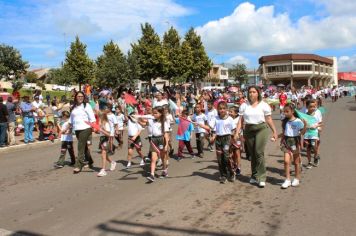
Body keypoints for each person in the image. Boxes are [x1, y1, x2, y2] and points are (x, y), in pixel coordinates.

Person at [236, 86, 278, 188]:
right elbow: (241, 120)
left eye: (254, 92)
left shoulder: (264, 105)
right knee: (252, 154)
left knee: (259, 152)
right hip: (248, 130)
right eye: (250, 92)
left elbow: (268, 119)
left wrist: (274, 132)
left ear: (258, 93)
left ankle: (262, 177)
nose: (251, 94)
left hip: (261, 129)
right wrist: (237, 132)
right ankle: (254, 175)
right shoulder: (244, 105)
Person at [279, 104, 307, 189]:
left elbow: (302, 133)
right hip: (286, 142)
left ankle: (297, 178)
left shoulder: (298, 121)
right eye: (284, 111)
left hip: (295, 142)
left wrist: (305, 126)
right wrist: (277, 136)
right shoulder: (284, 121)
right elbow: (283, 133)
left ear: (292, 111)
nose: (285, 113)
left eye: (287, 111)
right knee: (286, 161)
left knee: (296, 162)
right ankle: (287, 179)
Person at [140, 106, 170, 182]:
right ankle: (152, 175)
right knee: (153, 158)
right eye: (153, 113)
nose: (154, 114)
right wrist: (136, 119)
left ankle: (164, 170)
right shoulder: (151, 120)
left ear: (161, 113)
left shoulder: (164, 122)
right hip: (153, 139)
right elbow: (143, 124)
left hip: (161, 139)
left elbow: (166, 135)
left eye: (156, 113)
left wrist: (166, 145)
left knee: (163, 158)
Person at [69, 91, 96, 174]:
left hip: (86, 128)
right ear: (76, 97)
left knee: (80, 147)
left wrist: (94, 127)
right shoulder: (74, 107)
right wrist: (68, 128)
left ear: (84, 97)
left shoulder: (86, 106)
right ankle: (90, 161)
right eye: (78, 96)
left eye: (82, 96)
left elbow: (92, 118)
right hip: (77, 129)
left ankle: (78, 165)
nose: (80, 97)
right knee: (84, 148)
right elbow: (71, 119)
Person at [211, 101, 238, 183]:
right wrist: (212, 137)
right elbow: (213, 130)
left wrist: (233, 139)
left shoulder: (230, 119)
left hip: (227, 139)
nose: (222, 110)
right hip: (218, 139)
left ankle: (232, 173)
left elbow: (233, 130)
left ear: (226, 109)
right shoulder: (215, 118)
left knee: (226, 158)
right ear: (217, 110)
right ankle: (223, 175)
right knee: (220, 159)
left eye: (223, 108)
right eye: (220, 109)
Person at [304, 99, 323, 169]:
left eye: (314, 106)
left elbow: (320, 123)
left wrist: (317, 127)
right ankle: (309, 162)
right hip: (307, 133)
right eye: (310, 106)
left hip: (315, 133)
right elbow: (303, 124)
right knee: (308, 148)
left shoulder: (317, 114)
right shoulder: (305, 115)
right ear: (307, 107)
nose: (312, 108)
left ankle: (316, 156)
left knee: (314, 146)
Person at [96, 111, 117, 177]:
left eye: (99, 117)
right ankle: (112, 162)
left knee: (103, 154)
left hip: (106, 139)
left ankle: (103, 170)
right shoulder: (101, 123)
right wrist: (97, 130)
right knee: (104, 155)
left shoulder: (106, 124)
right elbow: (100, 132)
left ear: (102, 117)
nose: (98, 118)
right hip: (102, 138)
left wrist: (101, 130)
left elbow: (108, 134)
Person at [229, 106, 242, 176]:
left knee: (237, 153)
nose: (229, 113)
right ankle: (233, 165)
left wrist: (237, 134)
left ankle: (238, 168)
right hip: (230, 138)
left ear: (236, 113)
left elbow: (239, 129)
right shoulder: (228, 119)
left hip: (237, 138)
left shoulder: (239, 119)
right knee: (231, 154)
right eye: (229, 111)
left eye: (231, 112)